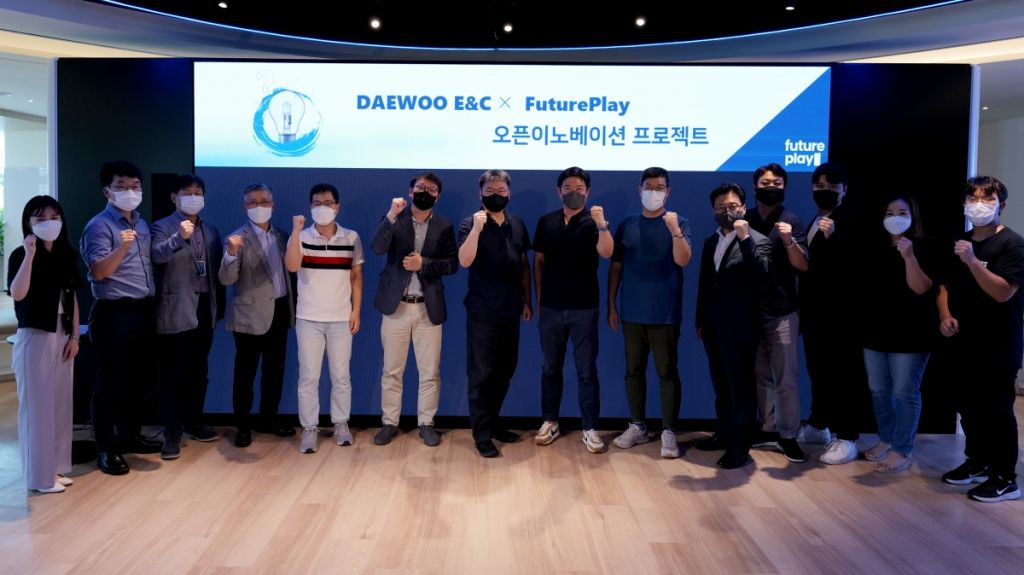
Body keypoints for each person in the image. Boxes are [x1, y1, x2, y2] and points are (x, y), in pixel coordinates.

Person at [939, 176, 1023, 503]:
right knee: (968, 407)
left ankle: (1005, 478)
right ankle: (978, 461)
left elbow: (1003, 292)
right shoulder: (961, 241)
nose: (979, 205)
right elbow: (944, 285)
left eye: (987, 199)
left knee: (997, 410)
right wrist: (945, 314)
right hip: (964, 342)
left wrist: (973, 261)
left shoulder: (1012, 244)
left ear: (1001, 205)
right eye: (973, 198)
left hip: (999, 343)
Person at [80, 160, 160, 475]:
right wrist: (122, 247)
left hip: (143, 309)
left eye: (135, 186)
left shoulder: (141, 222)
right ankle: (106, 448)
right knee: (110, 382)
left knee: (139, 380)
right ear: (107, 191)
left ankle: (129, 435)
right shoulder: (99, 226)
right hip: (114, 312)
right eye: (122, 186)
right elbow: (99, 271)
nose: (130, 191)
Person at [608, 167, 692, 459]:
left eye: (659, 188)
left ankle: (669, 430)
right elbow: (616, 267)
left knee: (667, 372)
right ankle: (638, 425)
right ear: (639, 189)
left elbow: (683, 260)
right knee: (633, 371)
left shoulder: (679, 222)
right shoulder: (627, 224)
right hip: (632, 311)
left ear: (668, 192)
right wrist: (611, 304)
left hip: (664, 313)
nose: (653, 192)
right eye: (649, 187)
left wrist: (675, 231)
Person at [370, 172, 458, 447]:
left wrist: (425, 264)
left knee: (429, 371)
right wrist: (390, 214)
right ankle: (389, 422)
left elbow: (452, 264)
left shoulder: (444, 225)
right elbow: (377, 247)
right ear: (410, 191)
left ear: (437, 196)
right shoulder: (395, 218)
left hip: (427, 307)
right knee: (392, 370)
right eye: (420, 187)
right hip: (396, 305)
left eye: (431, 190)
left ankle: (426, 423)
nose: (425, 192)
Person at [533, 167, 613, 454]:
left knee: (586, 371)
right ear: (559, 191)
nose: (574, 192)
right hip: (551, 308)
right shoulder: (547, 221)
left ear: (587, 192)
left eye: (579, 188)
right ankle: (550, 421)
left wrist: (602, 225)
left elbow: (607, 252)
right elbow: (538, 262)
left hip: (584, 308)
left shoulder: (595, 222)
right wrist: (539, 300)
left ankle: (590, 428)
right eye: (568, 188)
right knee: (550, 368)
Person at [694, 183, 772, 468]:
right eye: (720, 207)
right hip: (713, 327)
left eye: (732, 206)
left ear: (743, 207)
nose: (726, 211)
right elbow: (705, 284)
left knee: (741, 389)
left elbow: (762, 275)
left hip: (740, 329)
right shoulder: (710, 241)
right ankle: (724, 434)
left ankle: (740, 447)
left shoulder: (758, 240)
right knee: (721, 386)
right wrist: (700, 320)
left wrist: (744, 237)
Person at [8, 196, 82, 493]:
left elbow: (72, 298)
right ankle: (39, 478)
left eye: (54, 217)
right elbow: (18, 293)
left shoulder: (65, 254)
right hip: (35, 334)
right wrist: (29, 255)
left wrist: (75, 336)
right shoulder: (21, 254)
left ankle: (55, 468)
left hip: (62, 334)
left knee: (60, 405)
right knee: (37, 408)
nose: (49, 223)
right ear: (28, 223)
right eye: (40, 219)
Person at [860, 194, 938, 473]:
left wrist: (909, 257)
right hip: (875, 330)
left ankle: (902, 449)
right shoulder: (874, 247)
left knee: (904, 391)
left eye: (902, 212)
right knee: (879, 390)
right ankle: (886, 438)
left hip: (912, 333)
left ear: (913, 216)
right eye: (890, 212)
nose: (895, 217)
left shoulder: (923, 247)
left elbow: (921, 288)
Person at [458, 169, 532, 458]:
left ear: (509, 193)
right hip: (482, 311)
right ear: (481, 193)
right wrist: (477, 230)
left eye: (501, 191)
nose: (496, 195)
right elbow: (464, 261)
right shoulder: (470, 223)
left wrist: (527, 300)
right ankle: (482, 434)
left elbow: (523, 264)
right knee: (481, 375)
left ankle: (493, 422)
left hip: (511, 309)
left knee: (504, 372)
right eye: (490, 191)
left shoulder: (517, 223)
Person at [285, 183, 364, 453]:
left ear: (337, 207)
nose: (323, 208)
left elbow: (356, 277)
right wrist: (296, 231)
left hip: (341, 318)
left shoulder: (351, 237)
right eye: (317, 203)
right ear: (310, 207)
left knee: (341, 375)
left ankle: (341, 424)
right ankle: (309, 428)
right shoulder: (302, 236)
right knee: (309, 376)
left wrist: (356, 311)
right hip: (308, 319)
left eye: (328, 203)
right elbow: (292, 266)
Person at [798, 162, 867, 464]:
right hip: (816, 314)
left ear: (844, 190)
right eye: (819, 186)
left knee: (844, 376)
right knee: (819, 371)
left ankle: (847, 436)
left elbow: (858, 266)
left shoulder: (850, 221)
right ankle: (818, 425)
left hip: (842, 316)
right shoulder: (816, 220)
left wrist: (836, 238)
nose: (824, 191)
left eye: (832, 186)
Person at [151, 174, 223, 460]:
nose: (194, 197)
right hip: (175, 308)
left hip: (205, 306)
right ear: (174, 197)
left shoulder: (212, 231)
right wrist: (178, 238)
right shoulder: (161, 227)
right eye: (187, 192)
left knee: (198, 371)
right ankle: (171, 430)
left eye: (198, 192)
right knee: (172, 373)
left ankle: (194, 422)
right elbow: (157, 256)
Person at [219, 183, 296, 448]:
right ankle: (242, 426)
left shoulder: (283, 235)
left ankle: (268, 419)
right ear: (245, 207)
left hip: (280, 311)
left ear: (273, 205)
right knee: (245, 375)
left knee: (274, 372)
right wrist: (231, 253)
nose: (259, 206)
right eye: (253, 202)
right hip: (249, 317)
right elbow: (226, 279)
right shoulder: (236, 238)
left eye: (264, 201)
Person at [745, 163, 808, 463]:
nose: (771, 187)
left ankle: (789, 436)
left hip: (782, 311)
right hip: (752, 311)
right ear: (755, 186)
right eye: (766, 182)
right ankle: (768, 429)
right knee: (761, 377)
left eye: (777, 183)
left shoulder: (791, 220)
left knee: (786, 378)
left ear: (785, 187)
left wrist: (788, 240)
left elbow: (802, 265)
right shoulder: (746, 218)